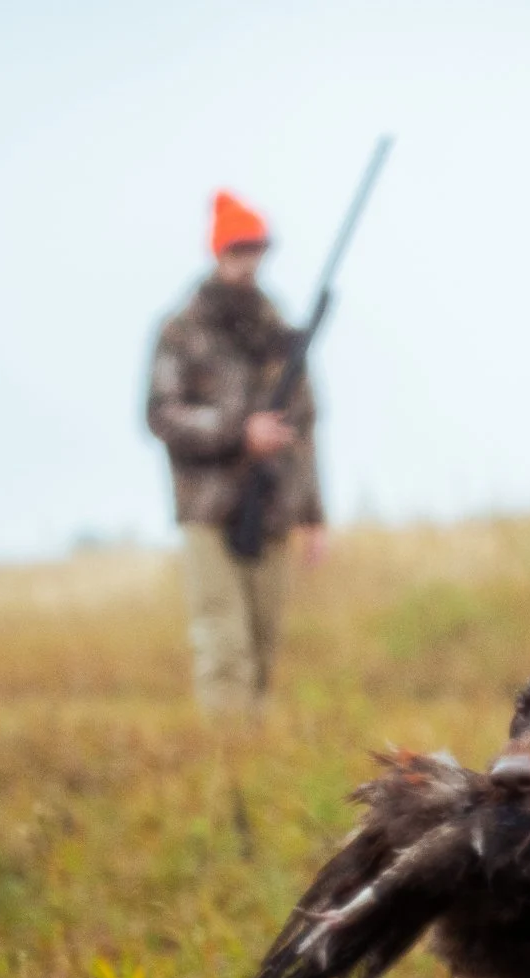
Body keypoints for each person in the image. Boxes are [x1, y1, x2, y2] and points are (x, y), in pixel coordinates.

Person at [145, 190, 327, 719]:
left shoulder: (278, 334)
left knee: (263, 645)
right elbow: (160, 413)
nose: (248, 260)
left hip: (272, 508)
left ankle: (251, 758)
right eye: (238, 248)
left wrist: (314, 516)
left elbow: (305, 429)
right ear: (218, 252)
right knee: (224, 646)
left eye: (256, 248)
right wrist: (237, 433)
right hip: (208, 509)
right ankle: (227, 766)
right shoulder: (183, 329)